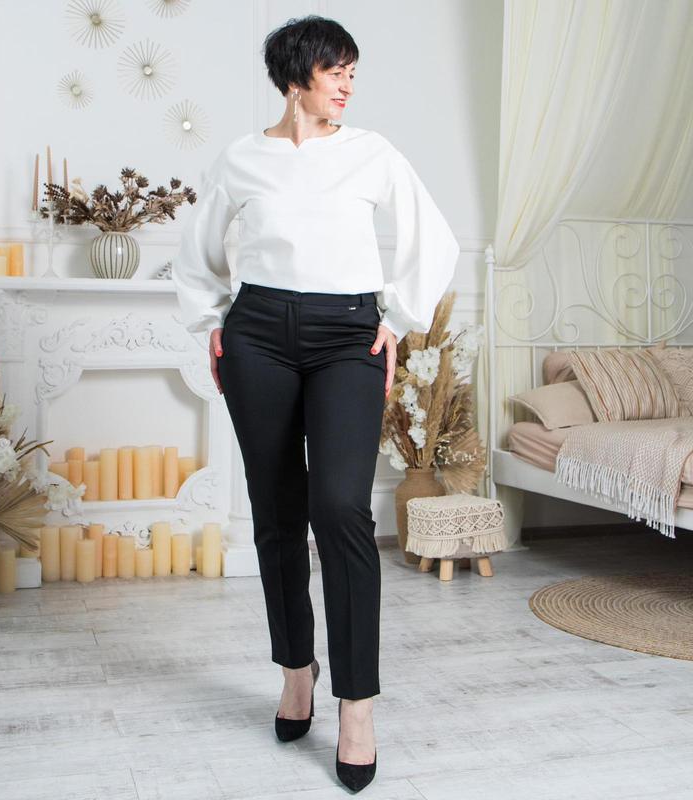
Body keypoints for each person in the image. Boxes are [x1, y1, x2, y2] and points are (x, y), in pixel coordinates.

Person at [172, 14, 460, 793]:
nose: (347, 86)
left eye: (353, 73)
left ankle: (357, 706)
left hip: (347, 337)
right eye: (337, 71)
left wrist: (397, 320)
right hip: (258, 334)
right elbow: (196, 254)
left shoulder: (373, 153)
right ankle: (296, 670)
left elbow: (434, 240)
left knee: (340, 509)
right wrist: (213, 323)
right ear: (297, 74)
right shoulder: (241, 158)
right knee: (276, 512)